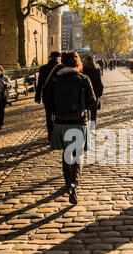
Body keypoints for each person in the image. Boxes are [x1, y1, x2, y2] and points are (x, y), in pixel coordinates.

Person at [46, 51, 97, 204]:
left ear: (63, 63)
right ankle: (74, 183)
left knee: (66, 152)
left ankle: (67, 182)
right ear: (77, 63)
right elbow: (92, 101)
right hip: (78, 120)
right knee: (77, 153)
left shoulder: (55, 79)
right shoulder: (83, 79)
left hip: (61, 121)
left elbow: (47, 101)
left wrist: (56, 113)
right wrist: (82, 109)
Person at [35, 51, 63, 142]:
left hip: (47, 95)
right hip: (59, 95)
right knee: (59, 115)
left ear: (50, 57)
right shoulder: (61, 68)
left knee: (49, 116)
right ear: (58, 58)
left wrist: (38, 96)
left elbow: (39, 84)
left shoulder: (43, 68)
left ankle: (50, 136)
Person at [82, 55, 104, 133]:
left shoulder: (82, 71)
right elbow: (100, 84)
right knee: (93, 113)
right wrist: (99, 94)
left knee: (83, 112)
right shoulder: (96, 71)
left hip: (83, 95)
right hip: (94, 95)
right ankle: (92, 129)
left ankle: (84, 128)